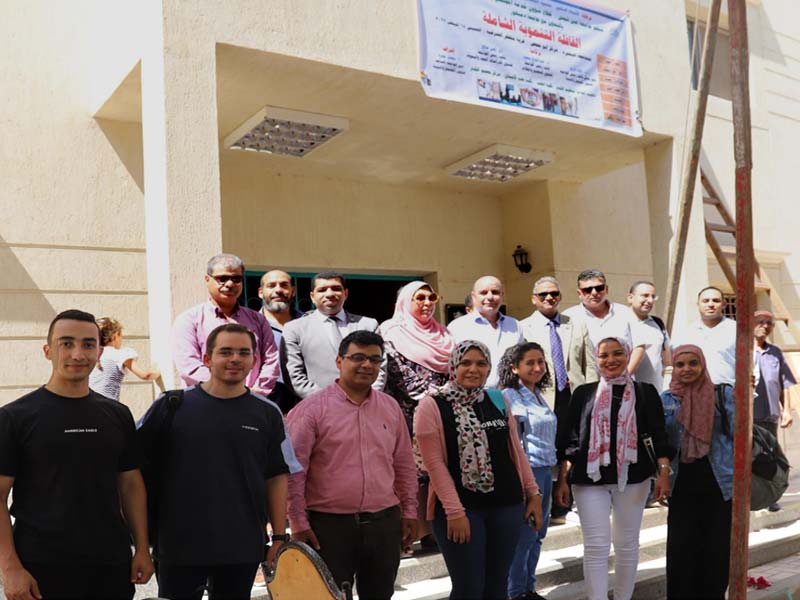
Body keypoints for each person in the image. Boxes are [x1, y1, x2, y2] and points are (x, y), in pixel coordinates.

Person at [0, 309, 153, 600]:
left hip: (110, 563)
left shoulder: (117, 415)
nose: (78, 354)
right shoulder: (15, 417)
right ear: (47, 351)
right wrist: (10, 568)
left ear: (99, 351)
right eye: (66, 343)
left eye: (88, 344)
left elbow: (131, 485)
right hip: (42, 566)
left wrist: (142, 548)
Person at [139, 323, 292, 600]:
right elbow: (132, 473)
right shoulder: (171, 406)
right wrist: (140, 542)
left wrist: (279, 537)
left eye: (243, 353)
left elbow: (276, 476)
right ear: (207, 359)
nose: (235, 359)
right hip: (179, 545)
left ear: (253, 361)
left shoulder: (267, 414)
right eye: (226, 352)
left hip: (241, 546)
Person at [287, 331, 417, 600]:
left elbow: (404, 463)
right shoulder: (311, 410)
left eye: (374, 359)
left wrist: (409, 511)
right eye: (357, 357)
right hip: (329, 527)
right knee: (331, 595)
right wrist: (297, 521)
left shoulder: (390, 407)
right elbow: (294, 471)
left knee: (381, 594)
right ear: (339, 361)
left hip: (383, 522)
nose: (367, 365)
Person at [414, 340, 543, 600]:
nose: (473, 369)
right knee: (469, 589)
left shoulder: (496, 399)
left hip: (506, 505)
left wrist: (534, 494)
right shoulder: (432, 405)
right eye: (466, 363)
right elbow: (434, 464)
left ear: (489, 368)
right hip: (461, 510)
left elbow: (515, 450)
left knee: (497, 587)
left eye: (481, 363)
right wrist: (455, 511)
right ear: (453, 366)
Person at [555, 337, 671, 600]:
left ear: (628, 355)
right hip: (588, 479)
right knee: (596, 546)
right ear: (597, 359)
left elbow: (659, 435)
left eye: (618, 353)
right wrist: (563, 478)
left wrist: (663, 473)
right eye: (604, 355)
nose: (611, 360)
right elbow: (571, 440)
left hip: (634, 476)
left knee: (627, 545)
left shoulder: (645, 392)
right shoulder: (583, 393)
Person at [379, 281, 454, 548]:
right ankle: (409, 533)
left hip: (444, 414)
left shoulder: (444, 334)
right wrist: (437, 396)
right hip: (408, 416)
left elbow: (453, 371)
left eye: (431, 297)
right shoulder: (389, 332)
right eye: (419, 297)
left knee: (438, 470)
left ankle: (435, 530)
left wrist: (447, 398)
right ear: (405, 302)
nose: (426, 303)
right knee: (410, 475)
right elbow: (400, 377)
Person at [519, 275, 597, 525]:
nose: (549, 298)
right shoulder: (524, 327)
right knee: (547, 449)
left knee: (572, 445)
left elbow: (590, 362)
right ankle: (548, 504)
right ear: (534, 299)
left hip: (573, 395)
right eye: (543, 295)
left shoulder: (576, 323)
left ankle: (568, 502)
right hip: (542, 397)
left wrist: (593, 395)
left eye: (554, 293)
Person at [663, 345, 734, 600]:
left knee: (716, 552)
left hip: (718, 484)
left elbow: (739, 436)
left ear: (702, 365)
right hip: (681, 486)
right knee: (681, 551)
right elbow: (662, 444)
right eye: (680, 365)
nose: (686, 369)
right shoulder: (667, 399)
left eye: (693, 363)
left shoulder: (722, 395)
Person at [498, 343, 558, 600]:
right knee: (524, 537)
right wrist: (525, 482)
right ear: (514, 367)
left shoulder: (537, 395)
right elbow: (515, 441)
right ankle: (516, 592)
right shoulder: (511, 395)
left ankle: (528, 588)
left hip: (546, 471)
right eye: (530, 363)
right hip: (528, 473)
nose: (537, 367)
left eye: (541, 362)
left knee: (537, 535)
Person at [172, 253, 279, 396]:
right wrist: (231, 391)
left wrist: (255, 392)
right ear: (207, 279)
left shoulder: (258, 320)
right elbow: (189, 366)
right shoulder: (189, 320)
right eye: (222, 279)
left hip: (252, 401)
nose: (229, 284)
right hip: (206, 403)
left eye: (236, 279)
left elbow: (271, 360)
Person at [282, 271, 382, 399]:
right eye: (322, 290)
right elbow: (294, 375)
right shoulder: (294, 328)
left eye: (336, 289)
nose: (329, 294)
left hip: (365, 405)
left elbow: (380, 367)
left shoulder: (368, 325)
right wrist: (330, 401)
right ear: (312, 296)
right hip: (318, 407)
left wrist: (366, 398)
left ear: (345, 294)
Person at [753, 309, 796, 511]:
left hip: (769, 415)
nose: (765, 326)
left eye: (769, 323)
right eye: (760, 321)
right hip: (748, 416)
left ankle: (771, 497)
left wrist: (787, 410)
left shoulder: (775, 352)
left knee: (770, 458)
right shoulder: (740, 350)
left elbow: (784, 383)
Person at [447, 276, 524, 388]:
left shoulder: (515, 325)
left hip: (509, 396)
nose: (490, 297)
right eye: (483, 293)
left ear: (502, 295)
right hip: (472, 396)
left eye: (495, 292)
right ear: (474, 297)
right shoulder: (457, 327)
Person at [562, 269, 644, 371]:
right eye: (587, 290)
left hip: (624, 382)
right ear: (579, 293)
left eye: (599, 288)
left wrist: (625, 375)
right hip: (587, 383)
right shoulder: (568, 317)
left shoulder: (625, 313)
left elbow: (639, 346)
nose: (594, 293)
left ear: (606, 289)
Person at [671, 286, 735, 388]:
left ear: (724, 304)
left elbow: (751, 366)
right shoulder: (685, 334)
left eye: (716, 301)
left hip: (729, 396)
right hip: (695, 395)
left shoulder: (736, 330)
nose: (710, 304)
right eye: (705, 301)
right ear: (698, 304)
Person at [259, 270, 304, 413]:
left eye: (284, 285)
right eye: (271, 285)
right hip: (262, 407)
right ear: (261, 292)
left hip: (306, 408)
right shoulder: (249, 326)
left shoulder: (309, 324)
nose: (278, 290)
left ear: (293, 291)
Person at [89, 317, 162, 401]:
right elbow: (145, 375)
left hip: (90, 405)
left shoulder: (92, 355)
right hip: (108, 406)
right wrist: (160, 372)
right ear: (116, 335)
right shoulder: (120, 354)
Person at [626, 281, 671, 391]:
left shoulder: (658, 323)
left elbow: (668, 360)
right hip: (628, 392)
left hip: (655, 392)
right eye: (645, 296)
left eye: (653, 296)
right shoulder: (620, 322)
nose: (650, 301)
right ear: (630, 298)